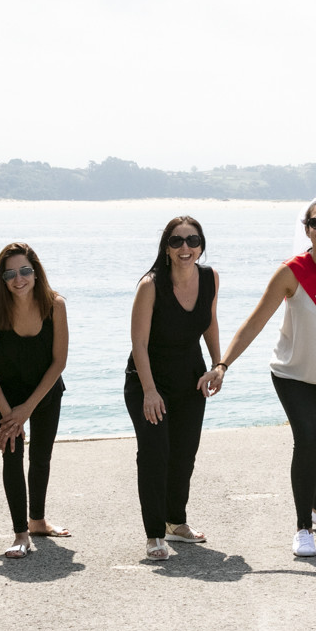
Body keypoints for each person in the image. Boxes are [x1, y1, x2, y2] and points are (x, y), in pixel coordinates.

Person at [208, 193, 316, 558]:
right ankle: (303, 527)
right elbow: (256, 321)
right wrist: (223, 364)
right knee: (308, 440)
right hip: (292, 375)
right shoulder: (291, 272)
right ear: (306, 229)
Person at [125, 216, 223, 560]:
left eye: (193, 240)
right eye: (177, 241)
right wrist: (150, 391)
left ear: (201, 245)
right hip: (148, 380)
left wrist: (218, 364)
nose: (186, 248)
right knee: (154, 456)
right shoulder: (150, 285)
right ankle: (154, 535)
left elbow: (209, 321)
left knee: (184, 454)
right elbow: (138, 343)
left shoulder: (210, 278)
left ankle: (175, 522)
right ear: (166, 247)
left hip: (190, 380)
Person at [0, 243, 71, 559]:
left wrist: (26, 410)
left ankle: (38, 521)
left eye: (25, 271)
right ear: (2, 278)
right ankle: (20, 533)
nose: (19, 279)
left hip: (45, 392)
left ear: (36, 271)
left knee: (41, 456)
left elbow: (59, 362)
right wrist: (8, 415)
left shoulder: (55, 305)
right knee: (12, 455)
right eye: (11, 273)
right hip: (5, 395)